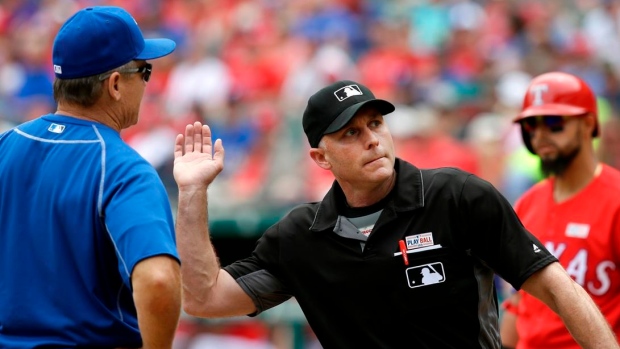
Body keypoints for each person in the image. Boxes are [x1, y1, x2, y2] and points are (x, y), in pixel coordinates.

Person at [173, 80, 619, 348]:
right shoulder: (299, 236)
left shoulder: (458, 197)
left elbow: (560, 289)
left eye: (376, 124)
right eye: (350, 132)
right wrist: (193, 194)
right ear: (320, 158)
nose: (372, 139)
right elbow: (202, 298)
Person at [0, 6, 181, 348]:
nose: (147, 81)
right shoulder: (123, 169)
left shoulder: (6, 145)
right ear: (115, 84)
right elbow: (158, 280)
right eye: (145, 70)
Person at [499, 72, 620, 349]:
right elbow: (520, 301)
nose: (540, 134)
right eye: (531, 125)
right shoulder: (528, 202)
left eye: (554, 123)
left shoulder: (616, 200)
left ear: (588, 123)